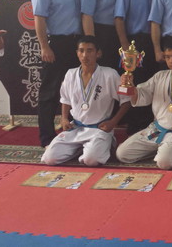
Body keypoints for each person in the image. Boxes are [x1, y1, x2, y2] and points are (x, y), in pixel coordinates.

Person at [41, 36, 131, 166]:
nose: (85, 55)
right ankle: (81, 149)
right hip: (76, 128)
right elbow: (65, 99)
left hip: (99, 129)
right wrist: (64, 118)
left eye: (89, 51)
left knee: (91, 160)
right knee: (50, 158)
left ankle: (100, 146)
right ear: (77, 53)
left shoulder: (110, 74)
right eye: (81, 51)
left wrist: (113, 122)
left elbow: (126, 101)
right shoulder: (70, 74)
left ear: (98, 53)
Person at [115, 40, 172, 168]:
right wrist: (130, 85)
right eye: (168, 57)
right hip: (155, 130)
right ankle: (162, 150)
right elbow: (142, 95)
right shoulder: (159, 76)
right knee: (122, 154)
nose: (171, 61)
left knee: (164, 163)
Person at [32, 0, 82, 147]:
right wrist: (44, 46)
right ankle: (46, 137)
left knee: (75, 89)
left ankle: (73, 131)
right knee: (50, 92)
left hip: (76, 44)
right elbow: (39, 17)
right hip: (56, 43)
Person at [114, 0, 162, 133]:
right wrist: (125, 45)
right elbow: (119, 18)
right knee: (136, 82)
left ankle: (152, 121)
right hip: (134, 42)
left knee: (154, 81)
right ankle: (135, 126)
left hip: (155, 41)